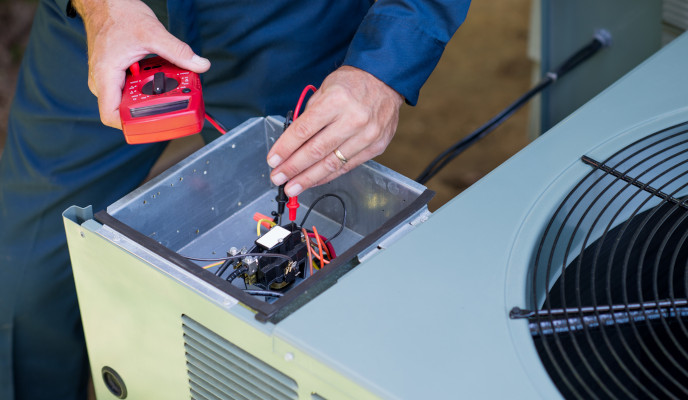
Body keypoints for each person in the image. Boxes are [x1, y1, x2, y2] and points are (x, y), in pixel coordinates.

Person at [0, 0, 469, 398]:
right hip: (105, 26)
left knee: (284, 312)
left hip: (290, 22)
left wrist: (383, 68)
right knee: (25, 283)